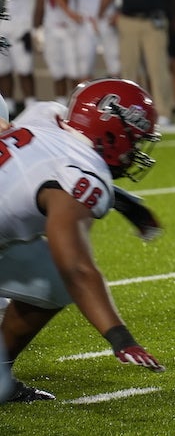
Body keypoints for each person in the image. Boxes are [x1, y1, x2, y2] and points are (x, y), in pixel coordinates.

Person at [0, 78, 165, 404]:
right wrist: (119, 336)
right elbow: (74, 265)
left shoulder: (45, 116)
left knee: (51, 280)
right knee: (63, 273)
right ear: (113, 133)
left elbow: (32, 164)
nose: (137, 151)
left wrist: (118, 198)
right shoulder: (81, 173)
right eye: (135, 140)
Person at [32, 0, 78, 105]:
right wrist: (36, 29)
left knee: (74, 72)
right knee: (57, 72)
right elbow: (40, 3)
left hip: (72, 29)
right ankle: (60, 105)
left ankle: (75, 106)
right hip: (51, 28)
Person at [0, 0, 40, 118]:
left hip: (19, 26)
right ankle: (8, 106)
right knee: (2, 70)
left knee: (25, 69)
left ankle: (31, 105)